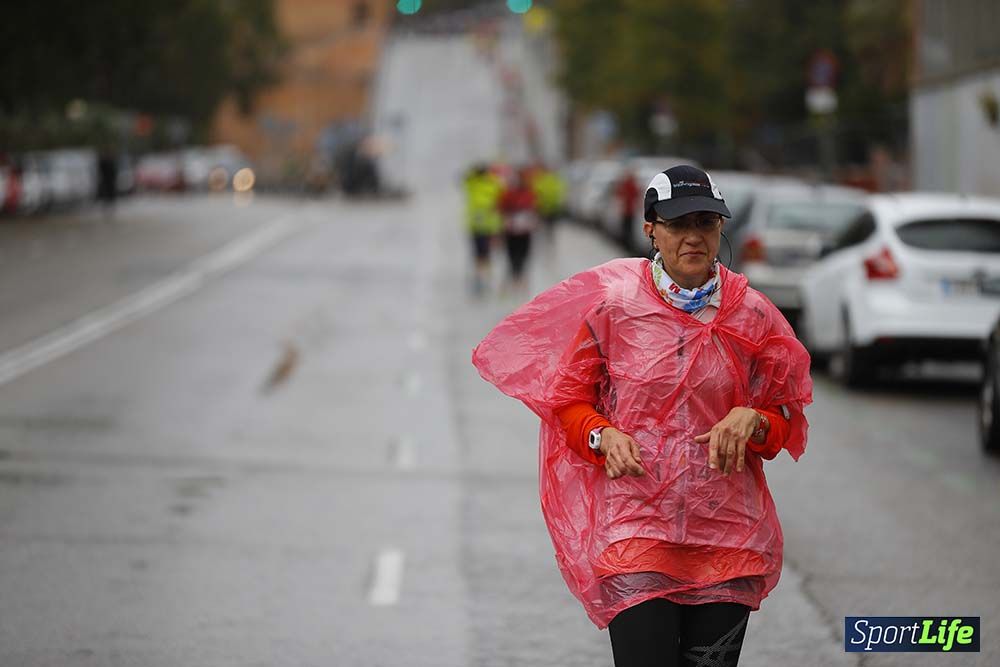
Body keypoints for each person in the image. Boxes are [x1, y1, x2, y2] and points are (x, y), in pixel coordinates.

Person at [472, 165, 813, 667]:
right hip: (635, 529)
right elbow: (568, 402)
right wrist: (602, 436)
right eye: (678, 224)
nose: (694, 236)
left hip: (727, 536)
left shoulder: (754, 315)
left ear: (722, 229)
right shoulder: (614, 308)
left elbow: (783, 419)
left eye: (706, 222)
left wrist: (754, 421)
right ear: (650, 227)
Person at [498, 167, 541, 292]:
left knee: (523, 255)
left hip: (524, 230)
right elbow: (501, 208)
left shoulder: (529, 193)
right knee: (512, 255)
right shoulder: (508, 193)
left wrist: (533, 219)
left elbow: (535, 208)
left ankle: (520, 278)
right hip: (511, 230)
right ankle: (515, 277)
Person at [463, 163, 504, 295]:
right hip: (481, 225)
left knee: (483, 253)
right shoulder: (478, 184)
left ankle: (483, 277)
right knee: (480, 253)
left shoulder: (480, 184)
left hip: (486, 226)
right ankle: (481, 277)